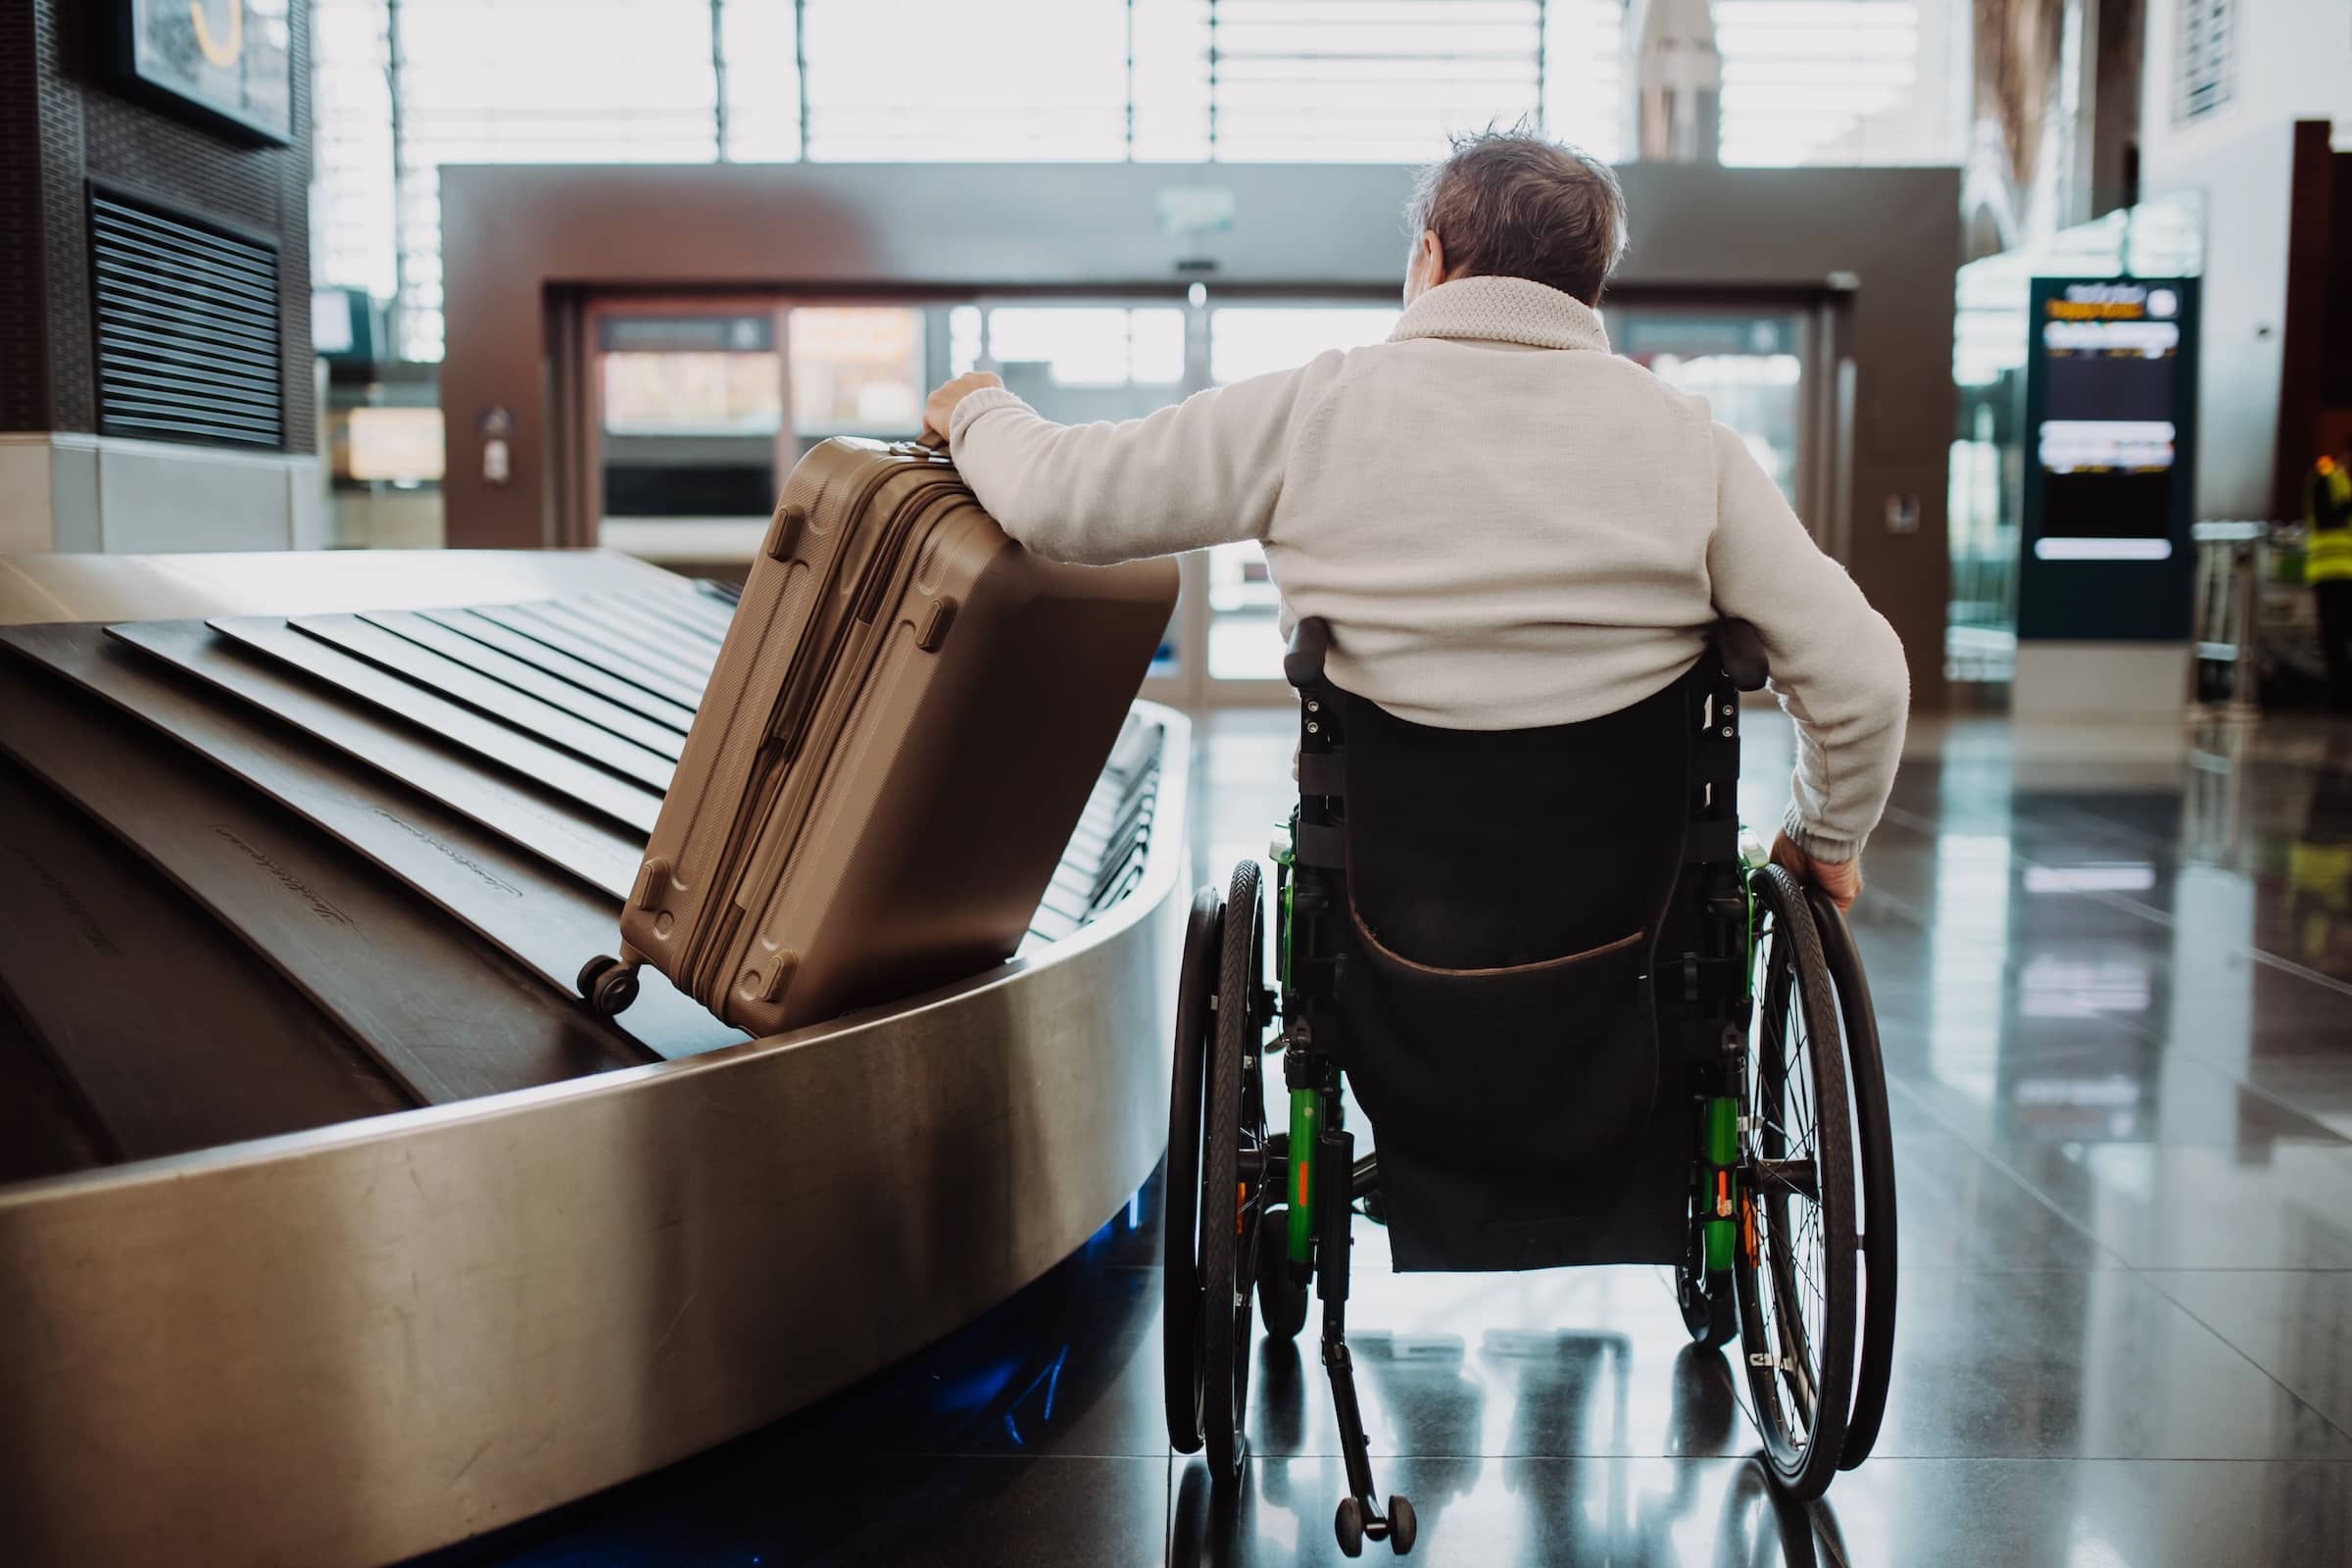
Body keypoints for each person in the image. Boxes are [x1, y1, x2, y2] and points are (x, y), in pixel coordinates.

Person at [923, 130, 1908, 910]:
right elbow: (1859, 678)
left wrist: (976, 407)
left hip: (1386, 925)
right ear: (1590, 287)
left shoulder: (1314, 408)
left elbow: (1062, 501)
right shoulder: (1691, 444)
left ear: (1430, 259)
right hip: (1631, 935)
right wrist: (1822, 842)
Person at [2307, 438, 2352, 711]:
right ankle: (2340, 700)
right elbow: (2325, 517)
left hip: (2348, 573)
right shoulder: (2326, 478)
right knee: (2335, 638)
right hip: (2329, 572)